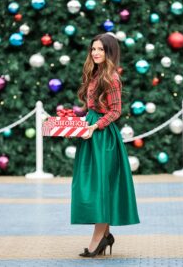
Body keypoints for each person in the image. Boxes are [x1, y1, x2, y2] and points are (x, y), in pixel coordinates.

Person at [71, 33, 140, 258]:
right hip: (91, 132)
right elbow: (92, 106)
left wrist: (94, 126)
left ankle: (98, 239)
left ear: (109, 52)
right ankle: (105, 236)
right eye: (93, 49)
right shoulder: (94, 74)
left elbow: (116, 111)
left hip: (103, 138)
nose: (96, 53)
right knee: (95, 184)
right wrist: (79, 122)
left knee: (101, 185)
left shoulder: (111, 78)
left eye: (100, 49)